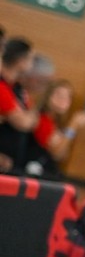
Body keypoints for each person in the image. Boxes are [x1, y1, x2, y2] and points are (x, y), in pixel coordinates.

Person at [22, 79, 85, 178]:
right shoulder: (42, 119)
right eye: (59, 95)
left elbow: (63, 155)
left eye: (68, 97)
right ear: (48, 96)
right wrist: (73, 125)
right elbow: (57, 153)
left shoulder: (56, 124)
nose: (63, 100)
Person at [0, 37, 39, 172]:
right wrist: (26, 116)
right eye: (31, 59)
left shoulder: (18, 88)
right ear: (21, 60)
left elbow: (32, 122)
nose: (32, 64)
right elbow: (23, 122)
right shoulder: (2, 86)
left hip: (14, 163)